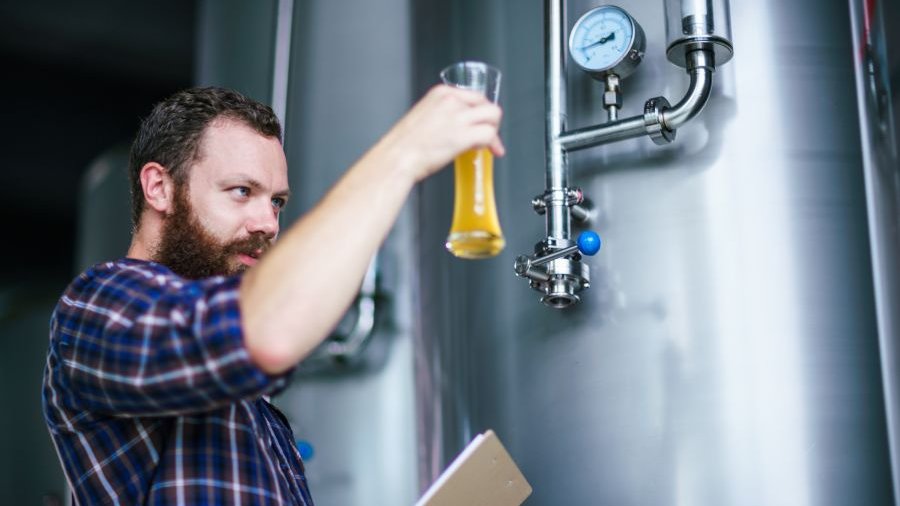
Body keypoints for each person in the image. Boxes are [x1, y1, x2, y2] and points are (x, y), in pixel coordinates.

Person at [42, 85, 503, 505]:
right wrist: (402, 156)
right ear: (159, 188)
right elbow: (263, 334)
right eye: (242, 191)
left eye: (276, 202)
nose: (268, 223)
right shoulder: (100, 303)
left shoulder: (253, 410)